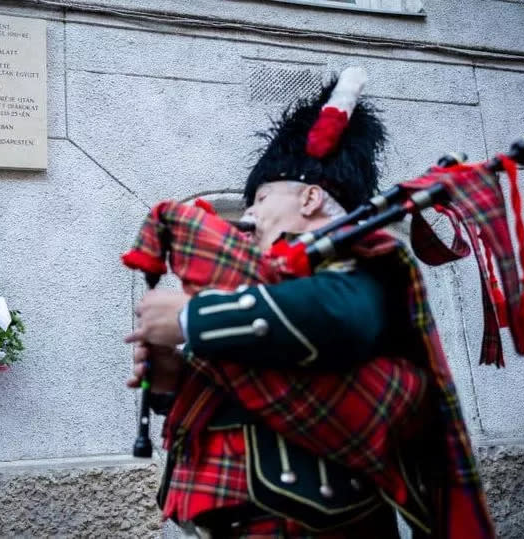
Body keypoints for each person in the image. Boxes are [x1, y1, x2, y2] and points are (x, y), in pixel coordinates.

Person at [124, 68, 494, 537]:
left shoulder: (363, 263)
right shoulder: (260, 285)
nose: (251, 214)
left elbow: (338, 320)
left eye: (260, 198)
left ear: (311, 198)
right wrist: (173, 376)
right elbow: (248, 389)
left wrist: (191, 316)